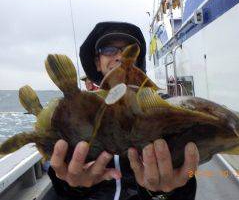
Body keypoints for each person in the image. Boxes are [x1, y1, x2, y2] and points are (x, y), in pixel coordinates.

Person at [47, 22, 199, 200]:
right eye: (109, 50)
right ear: (97, 62)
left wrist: (165, 192)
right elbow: (61, 184)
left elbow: (186, 174)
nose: (119, 56)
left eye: (129, 50)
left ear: (138, 60)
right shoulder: (78, 115)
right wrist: (73, 186)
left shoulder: (162, 109)